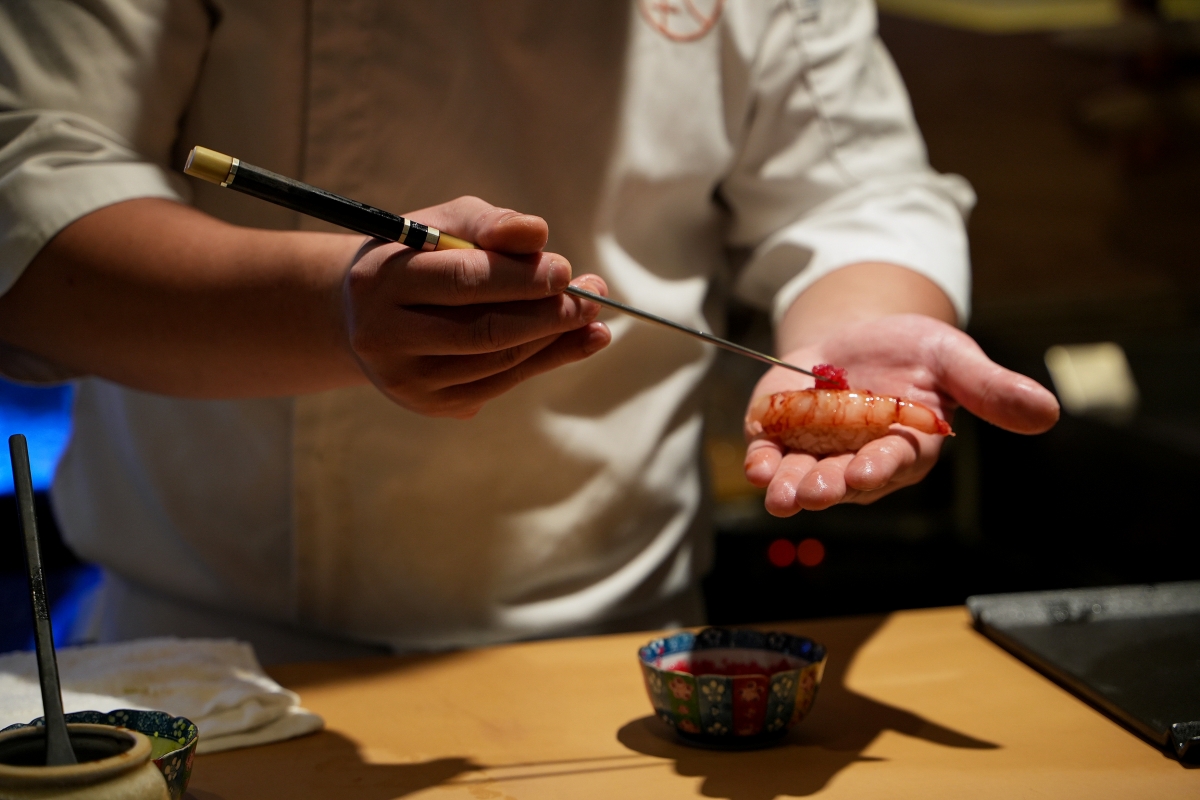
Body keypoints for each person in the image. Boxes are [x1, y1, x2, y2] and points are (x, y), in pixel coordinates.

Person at [0, 0, 1058, 663]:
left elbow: (851, 189)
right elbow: (29, 184)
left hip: (620, 643)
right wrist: (331, 307)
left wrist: (866, 324)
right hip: (207, 651)